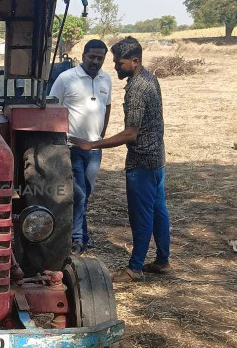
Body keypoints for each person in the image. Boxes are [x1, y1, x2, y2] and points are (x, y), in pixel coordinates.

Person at [71, 37, 171, 283]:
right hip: (158, 159)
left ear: (134, 62)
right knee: (159, 211)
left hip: (142, 162)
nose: (114, 66)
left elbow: (130, 133)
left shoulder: (137, 88)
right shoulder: (150, 78)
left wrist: (92, 144)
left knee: (141, 216)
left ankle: (134, 268)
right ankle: (162, 261)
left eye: (119, 63)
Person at [50, 39, 112, 255]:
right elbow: (51, 107)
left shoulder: (106, 79)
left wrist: (99, 139)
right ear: (83, 55)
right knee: (78, 194)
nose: (95, 61)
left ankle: (81, 234)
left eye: (100, 58)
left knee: (87, 193)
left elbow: (107, 107)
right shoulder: (66, 78)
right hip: (71, 147)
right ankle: (76, 238)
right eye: (92, 57)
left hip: (94, 150)